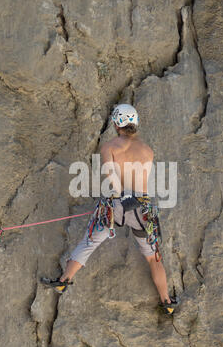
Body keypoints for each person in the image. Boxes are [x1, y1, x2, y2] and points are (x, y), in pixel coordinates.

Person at [42, 104, 178, 315]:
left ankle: (63, 281)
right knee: (153, 256)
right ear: (135, 123)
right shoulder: (147, 150)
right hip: (141, 207)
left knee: (90, 241)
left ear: (116, 124)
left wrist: (121, 193)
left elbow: (110, 173)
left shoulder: (110, 147)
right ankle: (167, 302)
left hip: (115, 205)